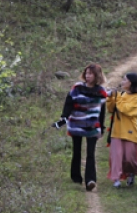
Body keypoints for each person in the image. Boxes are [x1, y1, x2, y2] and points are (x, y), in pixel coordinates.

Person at [51, 63, 107, 191]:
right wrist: (63, 117)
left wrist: (102, 127)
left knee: (90, 153)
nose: (88, 76)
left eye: (91, 74)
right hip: (76, 123)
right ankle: (76, 176)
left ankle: (90, 180)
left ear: (97, 75)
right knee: (76, 151)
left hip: (92, 125)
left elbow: (102, 111)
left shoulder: (101, 92)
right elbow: (68, 103)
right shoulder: (77, 88)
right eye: (86, 73)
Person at [106, 72, 137, 188]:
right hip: (117, 131)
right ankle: (116, 179)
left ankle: (131, 172)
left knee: (129, 158)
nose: (122, 82)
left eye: (125, 80)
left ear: (131, 83)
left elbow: (125, 109)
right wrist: (111, 98)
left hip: (130, 131)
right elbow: (111, 109)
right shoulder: (121, 95)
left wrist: (117, 97)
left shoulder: (136, 98)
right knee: (116, 156)